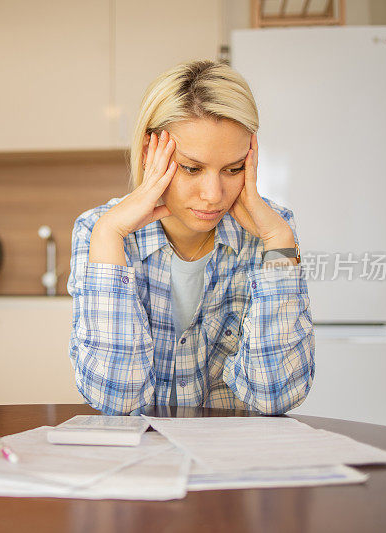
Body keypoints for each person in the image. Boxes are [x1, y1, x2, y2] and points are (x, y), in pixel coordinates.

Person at [67, 59, 315, 416]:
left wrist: (277, 238)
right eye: (191, 168)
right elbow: (116, 399)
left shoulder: (272, 232)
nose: (213, 194)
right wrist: (110, 234)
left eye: (233, 169)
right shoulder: (98, 230)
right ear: (149, 152)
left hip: (235, 461)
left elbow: (275, 396)